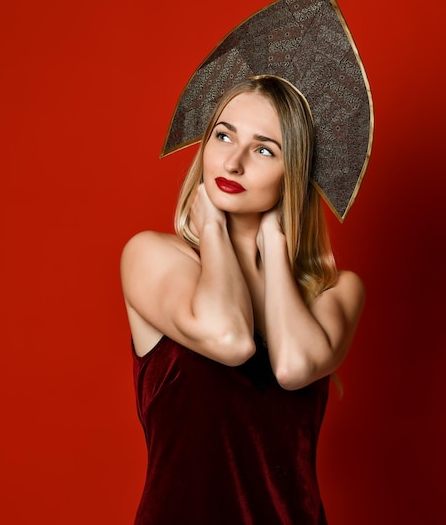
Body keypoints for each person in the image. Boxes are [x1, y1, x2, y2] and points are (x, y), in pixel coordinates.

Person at [120, 75, 366, 524]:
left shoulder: (335, 291)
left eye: (264, 149)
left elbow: (292, 367)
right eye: (223, 135)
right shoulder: (152, 256)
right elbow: (230, 338)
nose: (232, 162)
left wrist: (274, 242)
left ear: (295, 172)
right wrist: (212, 229)